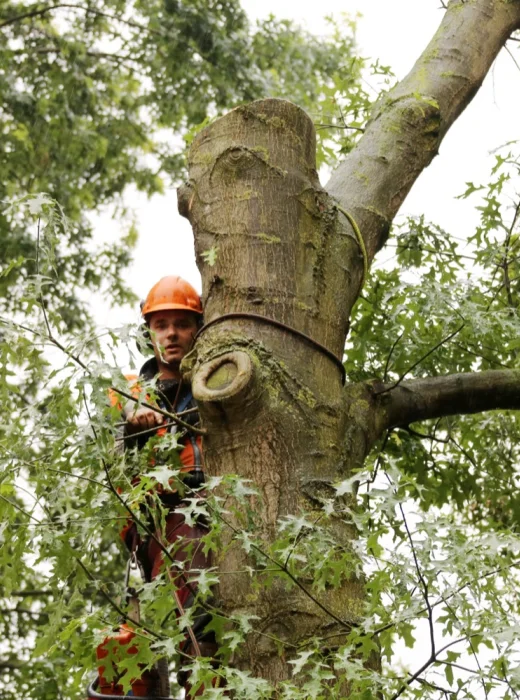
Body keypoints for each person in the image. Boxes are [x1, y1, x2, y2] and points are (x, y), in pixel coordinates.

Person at [119, 275, 216, 696]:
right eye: (162, 325)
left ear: (198, 329)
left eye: (182, 324)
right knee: (199, 600)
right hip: (167, 512)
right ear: (150, 333)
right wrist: (134, 421)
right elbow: (117, 454)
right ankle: (204, 683)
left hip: (219, 505)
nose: (172, 334)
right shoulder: (132, 391)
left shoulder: (211, 380)